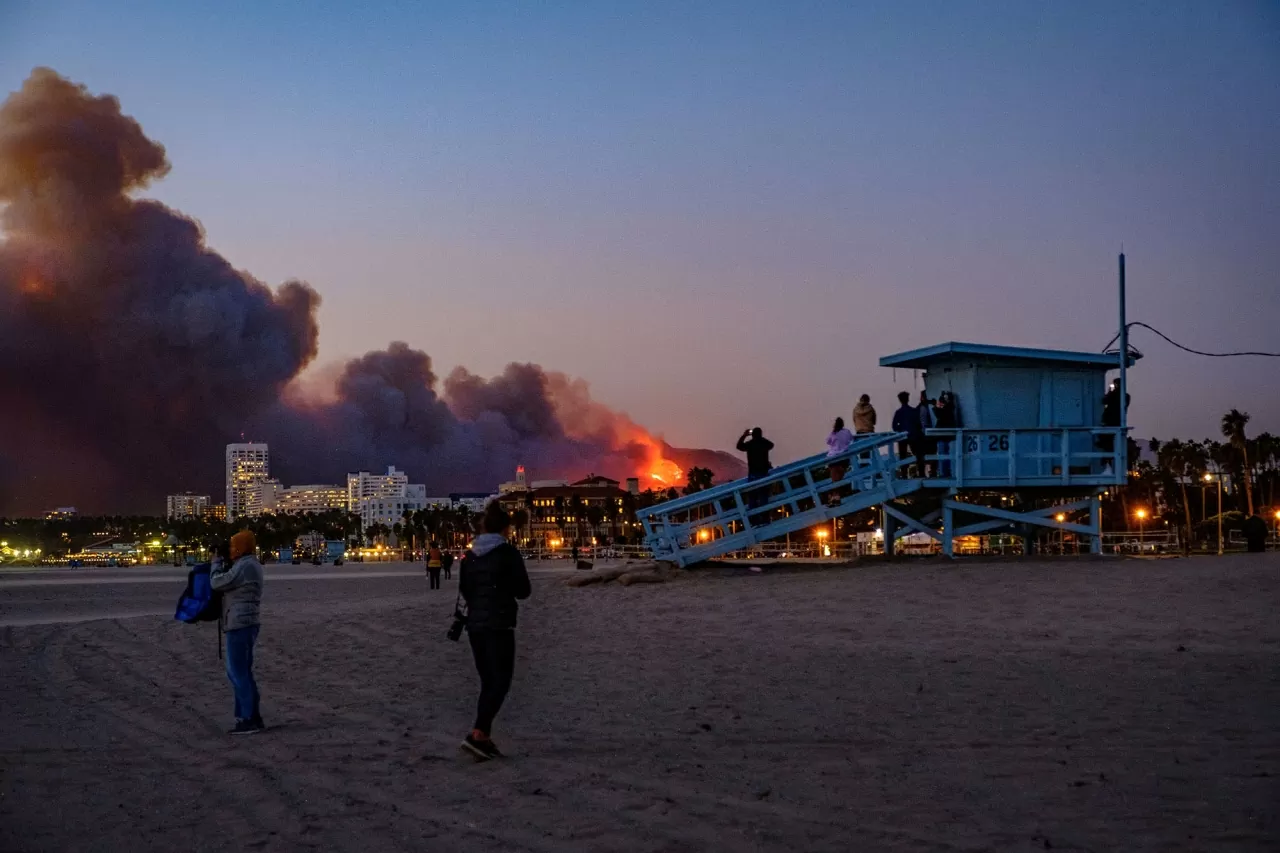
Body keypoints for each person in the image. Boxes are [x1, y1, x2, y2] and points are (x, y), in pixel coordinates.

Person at [458, 502, 532, 760]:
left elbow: (465, 590)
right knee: (501, 681)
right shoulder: (507, 553)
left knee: (488, 681)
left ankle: (483, 737)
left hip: (475, 625)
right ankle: (478, 733)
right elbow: (523, 591)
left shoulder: (470, 556)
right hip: (499, 623)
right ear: (505, 528)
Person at [210, 530, 265, 735]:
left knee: (237, 672)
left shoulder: (246, 565)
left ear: (242, 547)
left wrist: (215, 563)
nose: (231, 549)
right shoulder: (249, 564)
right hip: (246, 621)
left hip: (240, 623)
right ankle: (251, 716)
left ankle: (248, 719)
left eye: (234, 546)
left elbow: (217, 582)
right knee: (243, 672)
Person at [737, 427, 775, 510]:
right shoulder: (764, 443)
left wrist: (744, 435)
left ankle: (754, 520)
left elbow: (739, 446)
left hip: (753, 473)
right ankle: (765, 518)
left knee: (752, 495)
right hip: (763, 473)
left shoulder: (750, 444)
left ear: (752, 435)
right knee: (764, 495)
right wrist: (761, 438)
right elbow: (771, 445)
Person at [891, 392, 923, 476]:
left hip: (902, 437)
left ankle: (904, 473)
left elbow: (894, 426)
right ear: (908, 399)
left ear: (900, 400)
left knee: (903, 455)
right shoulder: (913, 411)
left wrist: (900, 430)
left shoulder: (898, 412)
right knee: (918, 454)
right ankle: (921, 473)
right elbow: (918, 423)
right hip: (914, 435)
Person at [933, 391, 961, 477]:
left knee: (943, 454)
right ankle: (945, 472)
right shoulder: (950, 408)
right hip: (947, 436)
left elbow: (939, 415)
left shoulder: (948, 409)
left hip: (944, 436)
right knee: (946, 454)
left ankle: (944, 473)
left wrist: (936, 406)